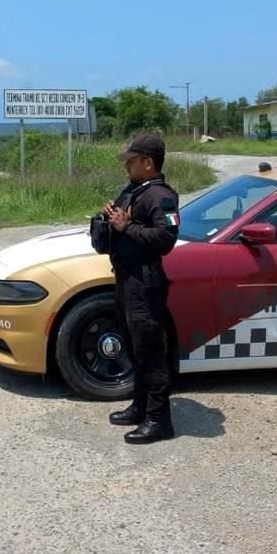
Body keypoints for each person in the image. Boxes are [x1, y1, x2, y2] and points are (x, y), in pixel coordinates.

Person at [102, 134, 180, 444]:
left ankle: (159, 420)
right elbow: (120, 224)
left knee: (151, 352)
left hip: (146, 284)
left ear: (148, 163)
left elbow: (166, 240)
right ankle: (141, 406)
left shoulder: (161, 196)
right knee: (135, 348)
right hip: (126, 279)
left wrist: (127, 227)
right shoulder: (136, 191)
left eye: (131, 161)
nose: (127, 167)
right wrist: (110, 217)